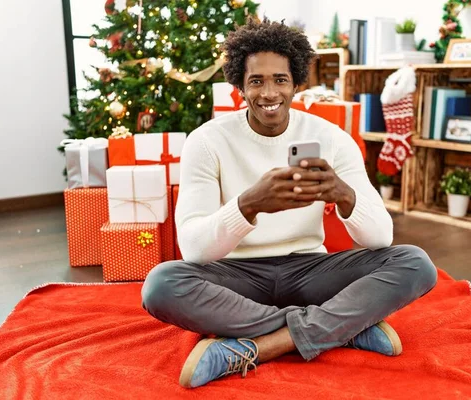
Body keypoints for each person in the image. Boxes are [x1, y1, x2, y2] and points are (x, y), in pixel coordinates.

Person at [141, 18, 437, 389]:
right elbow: (193, 248)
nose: (268, 93)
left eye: (280, 80)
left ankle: (260, 347)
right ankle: (340, 329)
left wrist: (344, 196)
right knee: (161, 285)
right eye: (256, 81)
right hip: (236, 276)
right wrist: (247, 205)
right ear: (239, 87)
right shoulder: (207, 141)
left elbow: (380, 238)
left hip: (310, 271)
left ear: (297, 83)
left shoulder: (330, 138)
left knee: (414, 263)